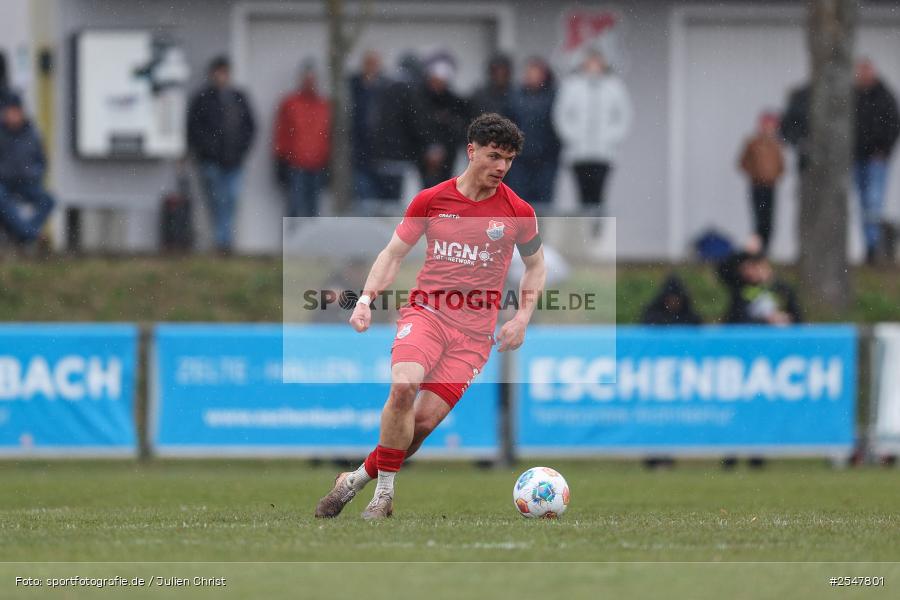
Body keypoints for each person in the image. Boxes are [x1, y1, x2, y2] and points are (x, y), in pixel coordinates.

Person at [314, 113, 546, 520]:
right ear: (471, 151)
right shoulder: (431, 200)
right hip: (428, 315)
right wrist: (366, 299)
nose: (501, 168)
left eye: (509, 160)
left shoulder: (518, 211)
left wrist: (522, 318)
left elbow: (536, 267)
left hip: (474, 338)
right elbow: (393, 254)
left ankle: (353, 480)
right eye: (494, 156)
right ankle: (383, 496)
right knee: (403, 387)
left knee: (419, 426)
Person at [187, 56, 256, 253]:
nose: (221, 76)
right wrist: (208, 150)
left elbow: (250, 127)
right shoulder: (202, 99)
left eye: (224, 72)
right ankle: (221, 243)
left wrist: (240, 151)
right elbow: (194, 130)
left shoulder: (238, 97)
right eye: (218, 72)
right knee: (217, 202)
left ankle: (224, 242)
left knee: (231, 201)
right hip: (211, 162)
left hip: (234, 162)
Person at [553, 49, 632, 215]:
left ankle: (598, 233)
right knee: (582, 195)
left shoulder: (614, 86)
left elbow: (624, 115)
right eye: (591, 61)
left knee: (599, 195)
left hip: (604, 153)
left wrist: (611, 137)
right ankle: (584, 232)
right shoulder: (572, 85)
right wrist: (573, 137)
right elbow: (561, 115)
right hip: (579, 153)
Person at [854, 59, 900, 265]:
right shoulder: (853, 96)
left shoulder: (884, 96)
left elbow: (892, 125)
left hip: (876, 160)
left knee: (873, 202)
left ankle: (874, 247)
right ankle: (869, 246)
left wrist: (883, 150)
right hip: (857, 158)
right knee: (863, 202)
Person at [273, 60, 330, 219]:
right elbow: (282, 133)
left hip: (317, 165)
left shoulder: (323, 105)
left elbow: (328, 135)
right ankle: (292, 242)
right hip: (295, 165)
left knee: (313, 209)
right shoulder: (290, 103)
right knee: (294, 208)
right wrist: (280, 161)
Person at [0, 92, 55, 245]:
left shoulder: (32, 134)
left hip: (27, 182)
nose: (12, 115)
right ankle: (30, 235)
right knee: (2, 199)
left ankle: (23, 234)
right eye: (9, 111)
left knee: (48, 200)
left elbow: (42, 161)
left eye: (15, 111)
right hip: (4, 182)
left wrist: (35, 175)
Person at [507, 56, 561, 211]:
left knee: (543, 202)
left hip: (546, 159)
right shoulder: (514, 97)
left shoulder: (554, 97)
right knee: (519, 201)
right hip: (520, 159)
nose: (531, 76)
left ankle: (540, 233)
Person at [416, 52, 471, 189]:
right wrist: (429, 148)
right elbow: (417, 127)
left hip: (448, 157)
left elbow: (460, 127)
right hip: (421, 157)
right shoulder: (419, 100)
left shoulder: (455, 102)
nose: (437, 85)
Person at [738, 112, 785, 253]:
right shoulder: (753, 143)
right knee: (758, 219)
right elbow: (743, 163)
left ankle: (765, 250)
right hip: (757, 186)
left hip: (771, 187)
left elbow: (781, 166)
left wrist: (774, 176)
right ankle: (756, 251)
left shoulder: (776, 144)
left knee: (769, 221)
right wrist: (756, 175)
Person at [349, 50, 388, 204]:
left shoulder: (384, 88)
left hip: (380, 154)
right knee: (364, 199)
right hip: (360, 153)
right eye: (369, 64)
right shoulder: (354, 87)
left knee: (380, 200)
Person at [470, 54, 515, 118]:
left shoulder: (516, 98)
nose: (500, 75)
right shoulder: (479, 97)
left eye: (503, 72)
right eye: (496, 71)